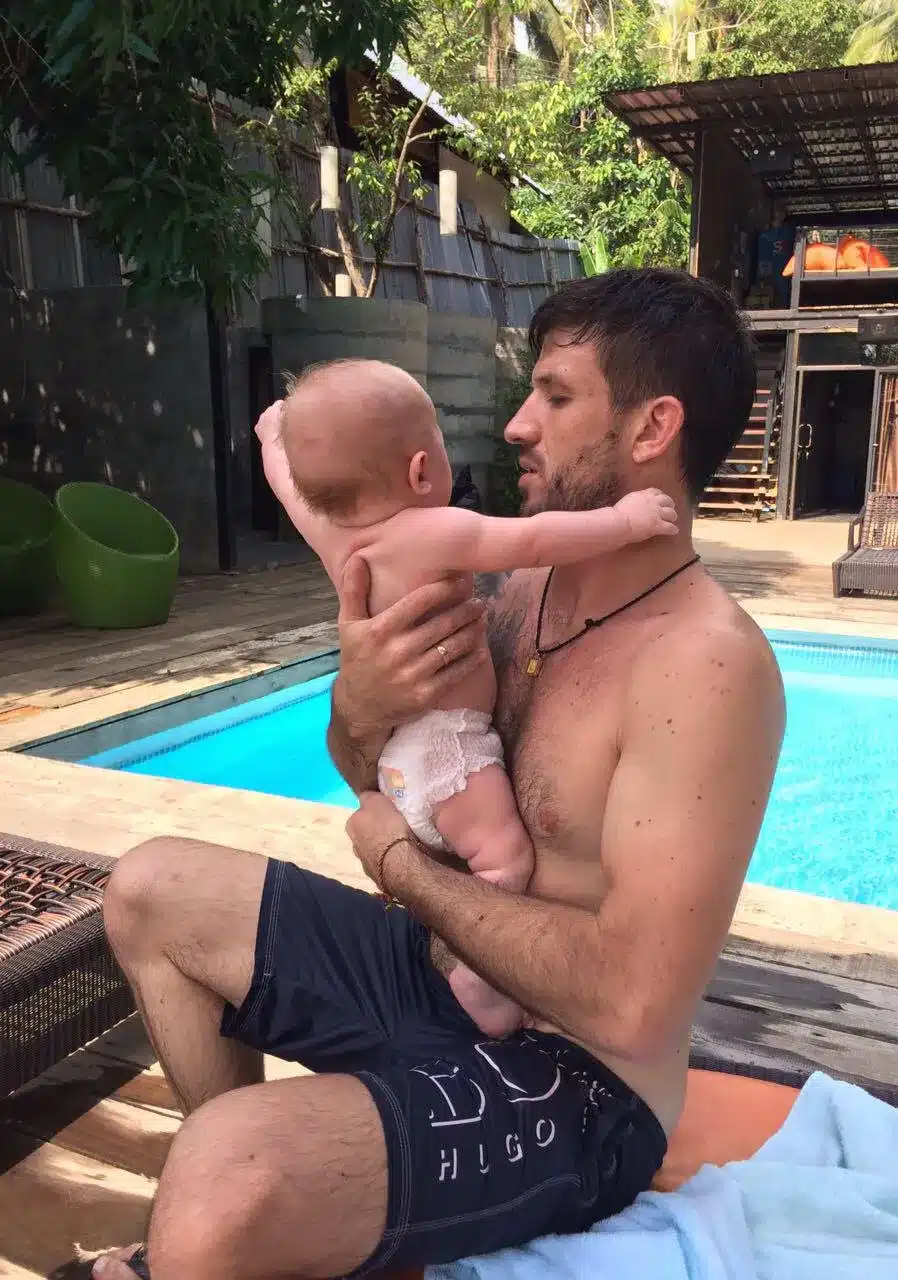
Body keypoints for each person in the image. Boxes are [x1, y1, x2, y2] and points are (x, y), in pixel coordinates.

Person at [88, 267, 785, 1280]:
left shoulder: (708, 665)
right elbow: (369, 766)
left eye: (553, 395)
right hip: (444, 977)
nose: (514, 426)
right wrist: (360, 702)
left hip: (579, 1083)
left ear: (651, 428)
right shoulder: (517, 589)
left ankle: (226, 1227)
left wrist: (405, 872)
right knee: (150, 887)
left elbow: (636, 1003)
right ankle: (281, 1233)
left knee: (218, 1174)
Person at [254, 357, 678, 1036]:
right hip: (449, 747)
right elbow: (534, 538)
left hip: (400, 762)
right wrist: (626, 520)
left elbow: (288, 487)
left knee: (474, 861)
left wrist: (277, 434)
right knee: (504, 861)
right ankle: (482, 984)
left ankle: (439, 959)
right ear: (422, 471)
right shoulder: (433, 531)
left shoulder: (337, 540)